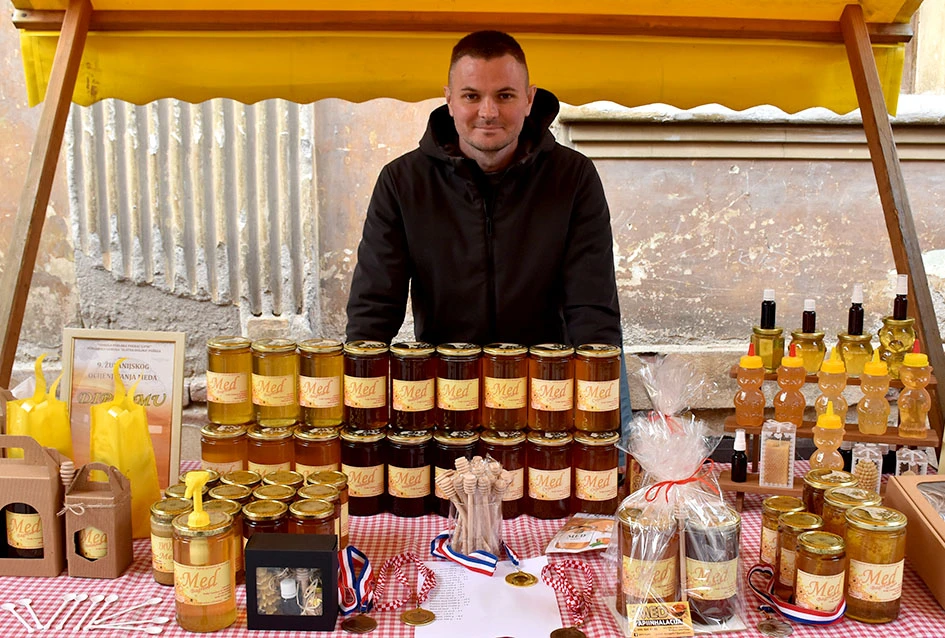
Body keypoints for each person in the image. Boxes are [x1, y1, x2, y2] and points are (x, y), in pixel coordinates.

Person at [345, 30, 621, 351]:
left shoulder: (573, 177)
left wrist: (596, 387)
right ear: (449, 100)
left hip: (546, 381)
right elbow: (373, 307)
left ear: (529, 99)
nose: (488, 112)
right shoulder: (402, 181)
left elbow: (592, 307)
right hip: (446, 381)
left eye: (504, 96)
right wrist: (362, 382)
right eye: (471, 96)